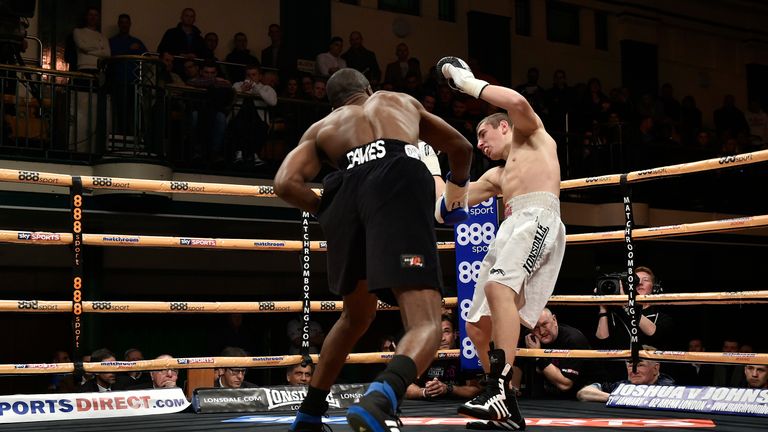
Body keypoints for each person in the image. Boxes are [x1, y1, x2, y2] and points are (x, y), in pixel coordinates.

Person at [274, 68, 472, 432]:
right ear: (368, 89)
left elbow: (285, 183)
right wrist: (457, 190)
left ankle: (309, 415)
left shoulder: (321, 129)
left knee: (355, 316)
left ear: (333, 102)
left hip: (345, 190)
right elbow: (461, 146)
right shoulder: (398, 100)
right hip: (398, 177)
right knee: (427, 320)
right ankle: (381, 397)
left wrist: (327, 210)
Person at [438, 56, 566, 430]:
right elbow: (447, 208)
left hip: (538, 216)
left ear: (504, 128)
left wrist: (465, 81)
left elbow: (519, 103)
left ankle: (496, 386)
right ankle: (506, 402)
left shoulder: (533, 136)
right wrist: (431, 167)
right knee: (476, 325)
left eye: (483, 136)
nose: (479, 145)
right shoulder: (496, 176)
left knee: (498, 288)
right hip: (510, 229)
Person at [405, 314, 482, 401]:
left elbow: (475, 390)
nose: (442, 339)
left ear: (455, 334)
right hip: (427, 408)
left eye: (446, 332)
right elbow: (406, 387)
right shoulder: (425, 357)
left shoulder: (465, 355)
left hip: (456, 407)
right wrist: (425, 391)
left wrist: (448, 389)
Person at [523, 308, 591, 399]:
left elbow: (565, 385)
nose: (542, 332)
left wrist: (538, 356)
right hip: (544, 400)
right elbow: (517, 365)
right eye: (536, 327)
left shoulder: (573, 339)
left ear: (554, 320)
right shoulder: (530, 339)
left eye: (544, 324)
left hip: (578, 398)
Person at [576, 353, 674, 403]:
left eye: (640, 365)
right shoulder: (624, 385)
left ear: (655, 368)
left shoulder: (667, 386)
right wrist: (615, 398)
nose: (634, 370)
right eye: (630, 366)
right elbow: (583, 393)